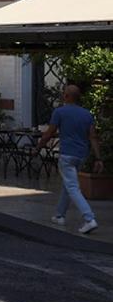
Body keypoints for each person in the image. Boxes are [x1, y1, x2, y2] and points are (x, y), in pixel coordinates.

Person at [38, 85, 103, 234]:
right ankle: (59, 215)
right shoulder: (87, 114)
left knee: (72, 187)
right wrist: (98, 157)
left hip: (67, 154)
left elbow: (49, 133)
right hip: (81, 155)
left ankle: (89, 218)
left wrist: (38, 148)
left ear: (66, 96)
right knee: (68, 185)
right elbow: (93, 136)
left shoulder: (59, 112)